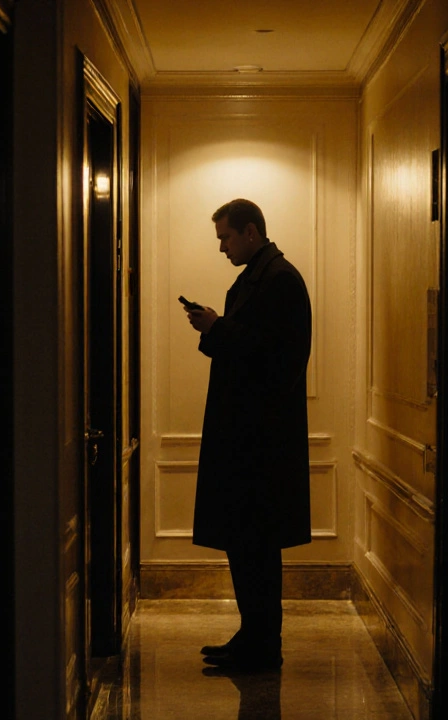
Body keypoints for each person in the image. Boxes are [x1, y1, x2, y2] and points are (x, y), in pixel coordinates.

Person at [185, 198, 312, 672]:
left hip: (260, 443)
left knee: (255, 545)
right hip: (251, 440)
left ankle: (262, 644)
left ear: (251, 232)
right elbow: (255, 342)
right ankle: (252, 636)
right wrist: (219, 327)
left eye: (226, 237)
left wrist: (218, 327)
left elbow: (275, 356)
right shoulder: (264, 277)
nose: (222, 247)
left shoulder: (279, 281)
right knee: (247, 544)